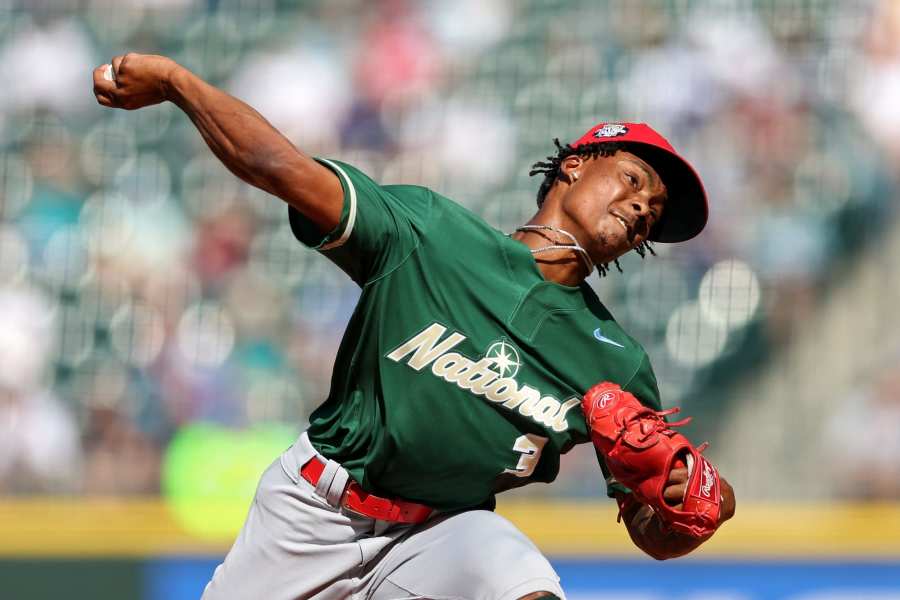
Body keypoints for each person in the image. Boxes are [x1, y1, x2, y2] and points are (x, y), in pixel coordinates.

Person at [92, 53, 736, 600]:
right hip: (313, 513)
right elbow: (281, 168)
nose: (640, 209)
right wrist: (179, 83)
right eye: (631, 180)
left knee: (525, 584)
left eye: (651, 213)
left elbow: (653, 528)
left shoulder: (615, 361)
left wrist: (687, 505)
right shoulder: (432, 234)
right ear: (575, 164)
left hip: (441, 535)